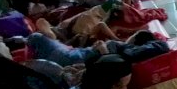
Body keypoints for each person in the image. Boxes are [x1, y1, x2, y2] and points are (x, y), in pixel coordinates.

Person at [28, 29, 168, 67]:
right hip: (79, 53)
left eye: (133, 36)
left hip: (74, 58)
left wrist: (104, 51)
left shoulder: (156, 47)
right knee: (40, 36)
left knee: (36, 37)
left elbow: (121, 60)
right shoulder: (127, 48)